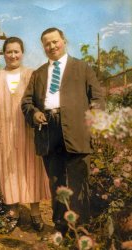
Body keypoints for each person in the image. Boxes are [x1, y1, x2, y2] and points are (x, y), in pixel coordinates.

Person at [21, 28, 105, 235]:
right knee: (56, 182)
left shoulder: (82, 67)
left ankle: (81, 230)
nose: (52, 46)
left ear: (64, 41)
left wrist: (94, 119)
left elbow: (98, 98)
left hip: (77, 129)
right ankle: (61, 228)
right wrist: (34, 113)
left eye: (55, 42)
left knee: (78, 182)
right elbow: (26, 102)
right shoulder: (38, 73)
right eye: (47, 44)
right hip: (49, 131)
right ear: (43, 47)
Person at [0, 37, 50, 233]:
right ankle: (13, 214)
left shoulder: (32, 75)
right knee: (7, 172)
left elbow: (42, 102)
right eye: (9, 52)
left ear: (22, 53)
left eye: (16, 51)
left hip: (28, 134)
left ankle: (36, 214)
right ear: (3, 54)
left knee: (31, 172)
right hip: (2, 136)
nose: (12, 55)